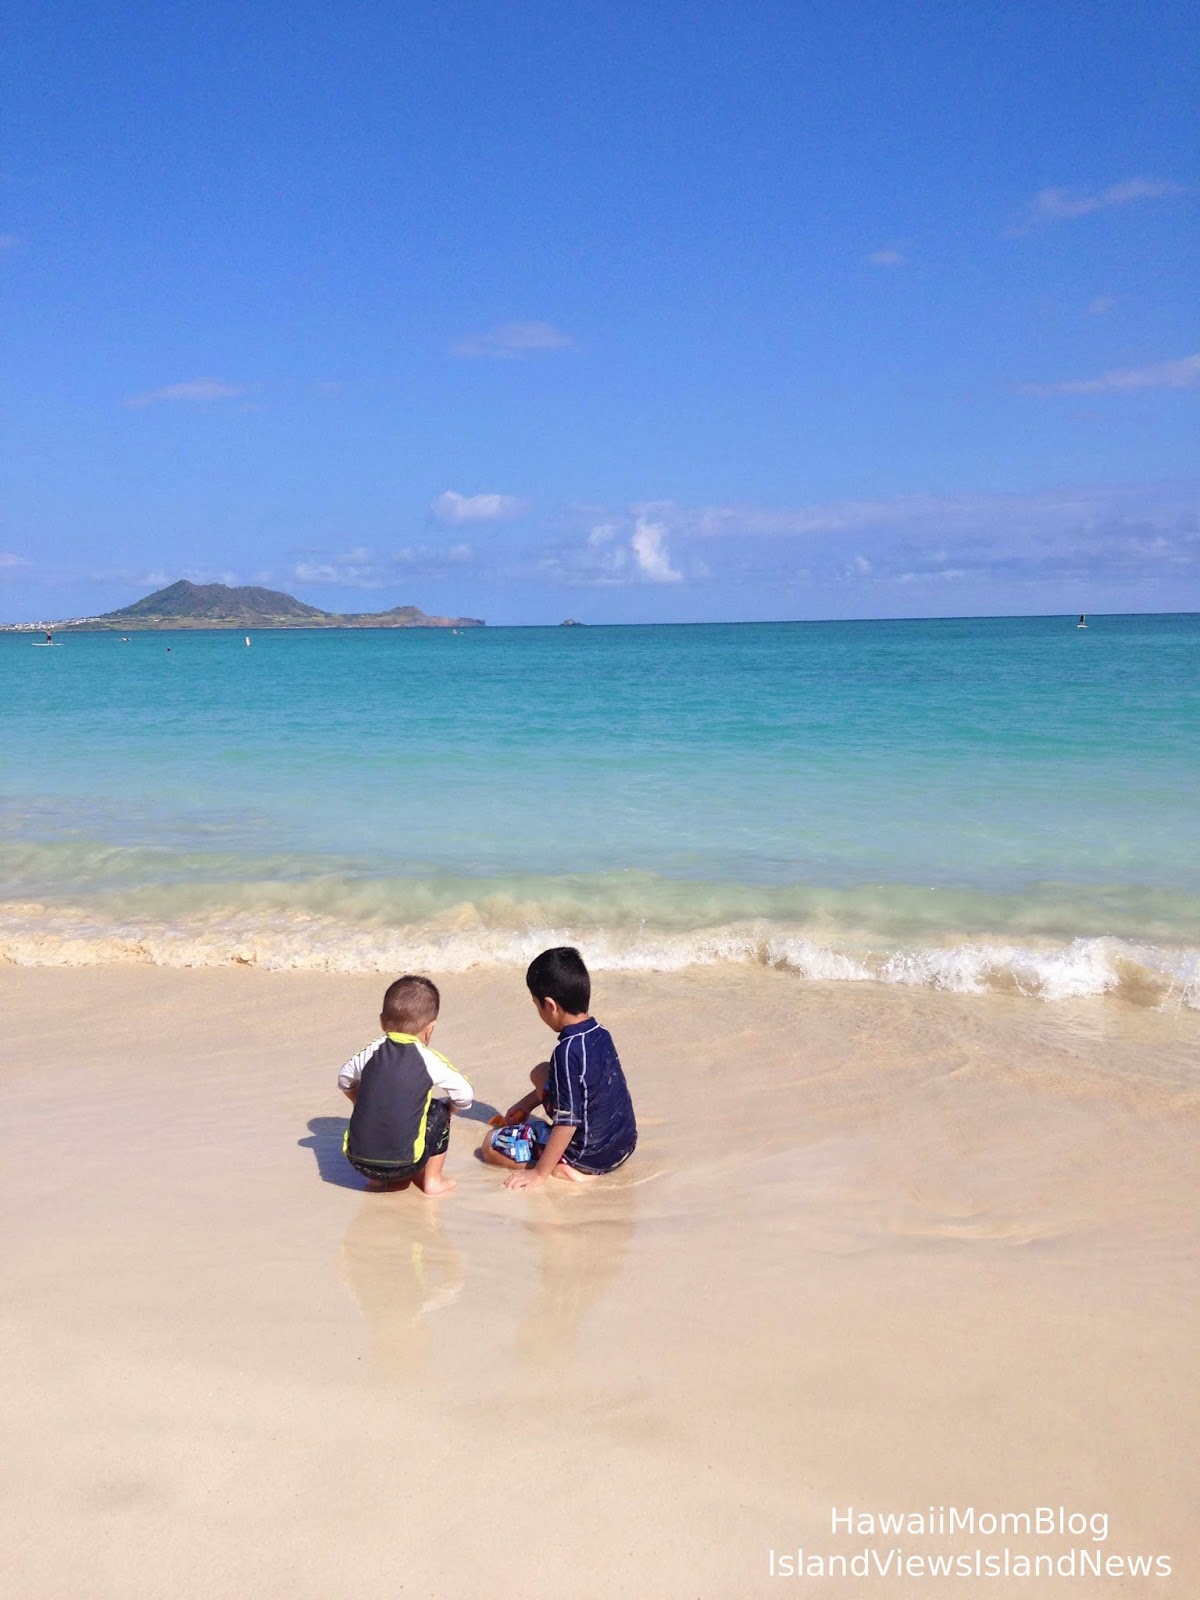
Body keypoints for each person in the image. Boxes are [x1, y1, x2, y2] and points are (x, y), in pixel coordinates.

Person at [481, 947, 637, 1190]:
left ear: (550, 1005)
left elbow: (568, 1121)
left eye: (536, 1004)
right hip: (622, 1145)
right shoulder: (600, 1033)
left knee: (490, 1145)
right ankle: (570, 1161)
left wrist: (539, 1175)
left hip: (587, 1156)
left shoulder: (567, 1052)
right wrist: (527, 1104)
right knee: (541, 1071)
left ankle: (563, 1167)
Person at [338, 974, 472, 1195]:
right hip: (406, 1164)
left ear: (382, 1021)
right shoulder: (429, 1059)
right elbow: (465, 1094)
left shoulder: (371, 1051)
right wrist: (453, 1108)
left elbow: (344, 1079)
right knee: (439, 1109)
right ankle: (432, 1180)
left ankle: (376, 1182)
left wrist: (356, 1098)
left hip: (358, 1162)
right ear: (430, 1028)